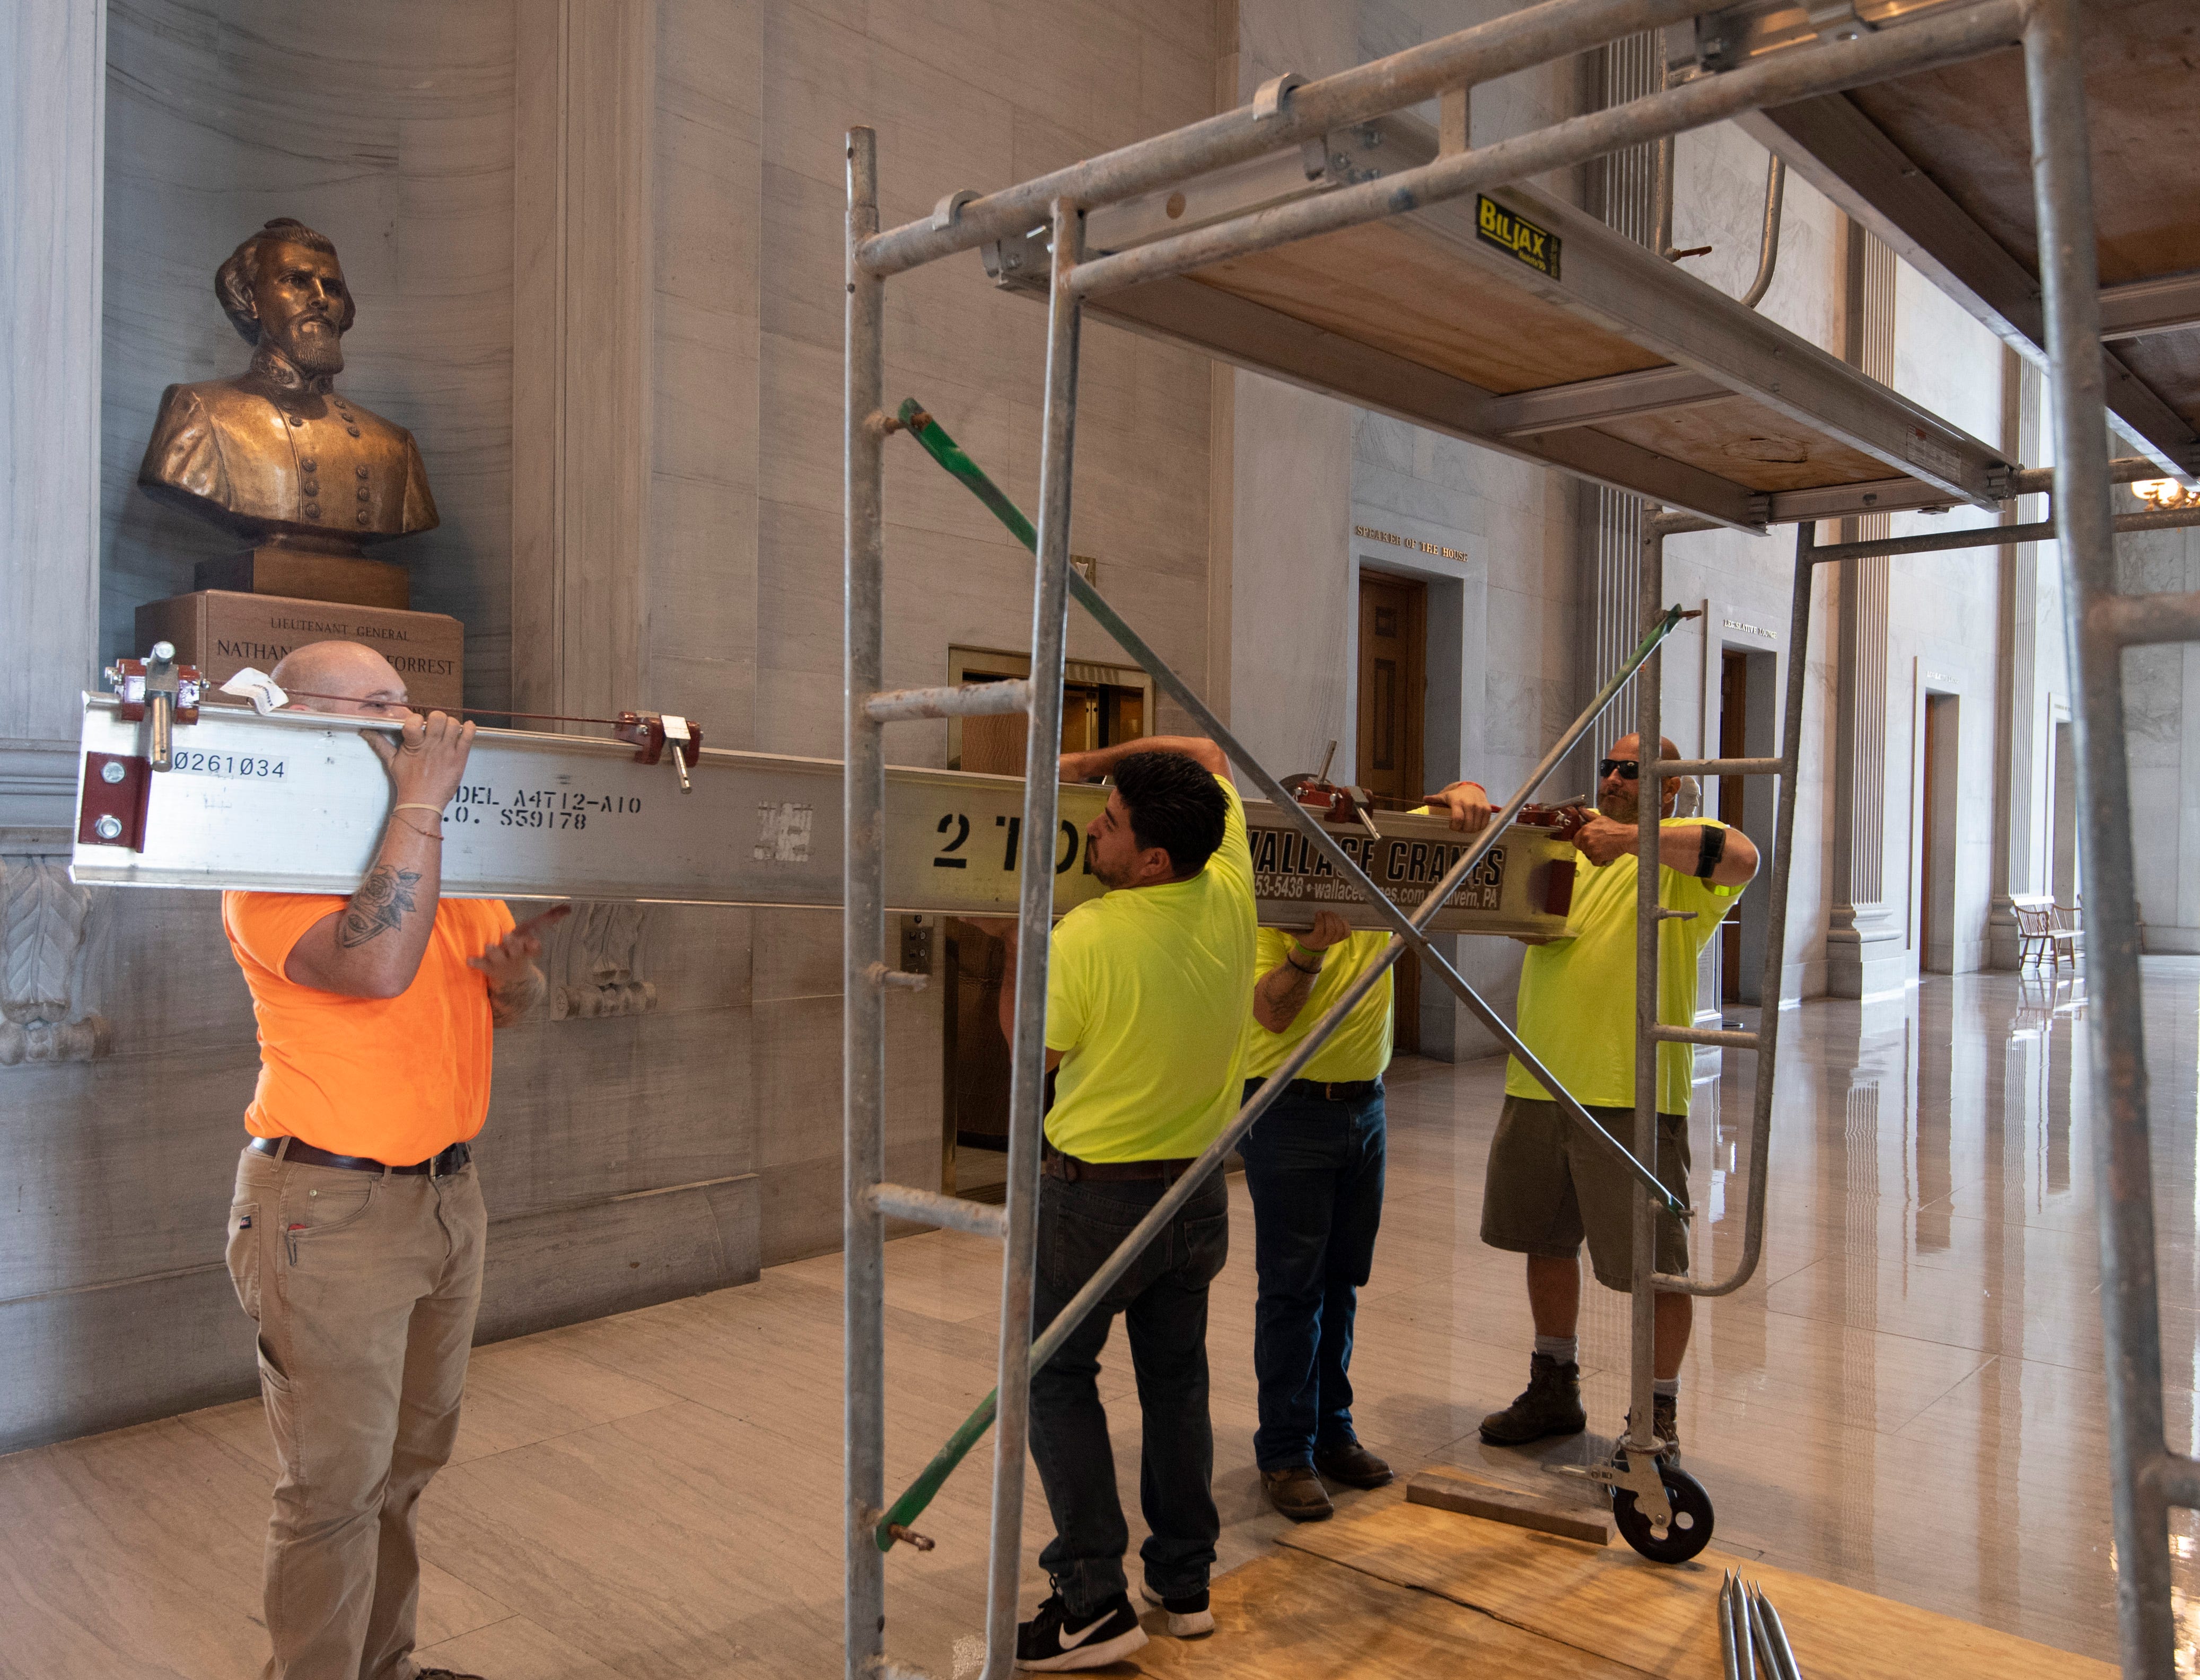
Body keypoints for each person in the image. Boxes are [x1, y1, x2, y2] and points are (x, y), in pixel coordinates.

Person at [221, 639, 546, 1680]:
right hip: (326, 1209)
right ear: (303, 721)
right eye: (374, 706)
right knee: (334, 1491)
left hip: (447, 1201)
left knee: (406, 1467)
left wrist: (515, 982)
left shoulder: (439, 850)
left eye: (408, 705)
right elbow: (374, 964)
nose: (409, 728)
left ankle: (382, 1667)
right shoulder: (270, 863)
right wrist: (423, 804)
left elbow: (506, 997)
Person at [988, 737, 1255, 1671]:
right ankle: (1182, 1583)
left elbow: (1032, 1054)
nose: (1088, 834)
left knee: (1052, 1376)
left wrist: (1017, 940)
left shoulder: (1088, 936)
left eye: (1106, 826)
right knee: (1174, 1380)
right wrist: (1085, 764)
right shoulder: (1228, 881)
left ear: (1151, 860)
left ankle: (1090, 1597)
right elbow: (1208, 753)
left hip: (1095, 1200)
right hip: (1198, 1196)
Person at [1428, 734, 1756, 1458]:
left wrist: (1631, 838)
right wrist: (1462, 794)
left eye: (1630, 771)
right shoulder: (1573, 847)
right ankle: (1553, 1382)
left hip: (1630, 1090)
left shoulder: (1674, 866)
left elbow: (1742, 854)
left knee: (1653, 1264)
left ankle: (1656, 1415)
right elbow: (1481, 860)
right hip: (1539, 1079)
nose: (1610, 777)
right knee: (1544, 1240)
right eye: (1606, 767)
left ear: (1667, 789)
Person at [1237, 785, 1494, 1523]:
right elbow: (1269, 1008)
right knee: (1291, 1288)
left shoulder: (1381, 871)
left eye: (1344, 821)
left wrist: (1460, 794)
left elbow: (1462, 818)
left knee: (1340, 1282)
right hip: (1287, 1108)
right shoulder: (1269, 895)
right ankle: (1284, 1450)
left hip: (1365, 1105)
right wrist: (1309, 952)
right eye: (1321, 825)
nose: (1338, 834)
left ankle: (1329, 1430)